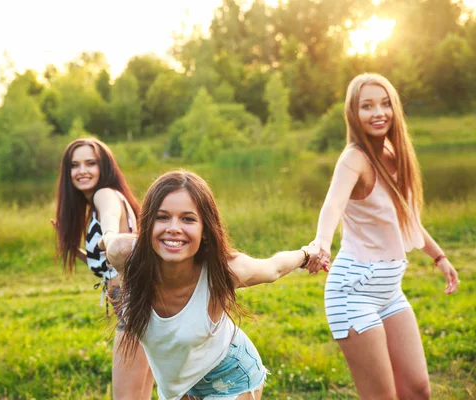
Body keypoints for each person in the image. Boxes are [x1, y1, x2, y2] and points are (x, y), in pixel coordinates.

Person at [100, 170, 327, 400]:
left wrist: (307, 253)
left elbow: (273, 268)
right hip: (181, 385)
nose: (174, 228)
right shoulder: (125, 254)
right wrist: (105, 237)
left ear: (205, 230)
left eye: (188, 219)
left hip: (231, 376)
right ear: (148, 224)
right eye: (162, 217)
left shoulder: (224, 271)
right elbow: (109, 240)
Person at [307, 73, 460, 399]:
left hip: (389, 291)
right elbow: (332, 203)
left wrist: (439, 256)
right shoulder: (354, 159)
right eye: (367, 106)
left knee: (418, 390)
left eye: (385, 103)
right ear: (353, 113)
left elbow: (406, 220)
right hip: (352, 293)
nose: (378, 112)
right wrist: (321, 242)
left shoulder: (393, 154)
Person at [53, 138, 154, 399]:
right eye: (75, 165)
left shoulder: (104, 195)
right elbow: (110, 265)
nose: (82, 170)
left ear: (104, 166)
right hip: (142, 310)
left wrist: (107, 234)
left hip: (133, 315)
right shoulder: (105, 199)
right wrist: (77, 251)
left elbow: (109, 222)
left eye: (90, 163)